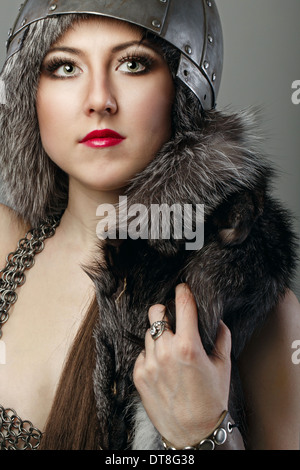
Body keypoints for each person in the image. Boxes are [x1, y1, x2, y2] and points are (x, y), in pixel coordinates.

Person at [0, 0, 299, 451]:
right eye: (64, 68)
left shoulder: (252, 305)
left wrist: (202, 430)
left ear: (183, 91)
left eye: (133, 63)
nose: (99, 99)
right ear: (29, 92)